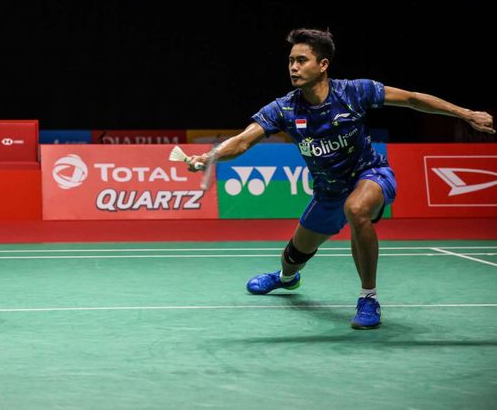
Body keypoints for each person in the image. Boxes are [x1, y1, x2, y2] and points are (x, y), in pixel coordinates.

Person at [188, 28, 495, 329]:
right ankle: (286, 279)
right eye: (291, 60)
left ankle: (368, 297)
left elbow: (412, 99)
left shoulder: (354, 92)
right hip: (327, 192)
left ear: (323, 65)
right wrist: (209, 157)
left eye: (302, 60)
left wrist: (466, 114)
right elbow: (243, 141)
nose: (293, 67)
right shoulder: (283, 108)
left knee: (357, 208)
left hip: (370, 174)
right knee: (293, 256)